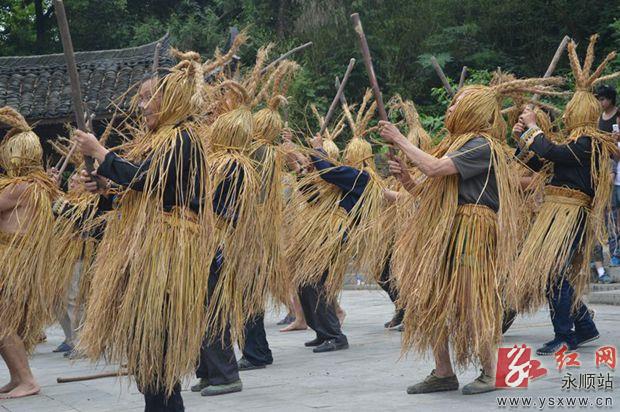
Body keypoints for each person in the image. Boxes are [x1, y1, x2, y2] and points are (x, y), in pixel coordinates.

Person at [380, 77, 558, 395]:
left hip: (472, 229)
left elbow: (435, 169)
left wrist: (399, 139)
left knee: (472, 302)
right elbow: (427, 193)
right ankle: (443, 373)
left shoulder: (481, 145)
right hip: (448, 228)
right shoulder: (457, 145)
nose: (450, 108)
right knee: (428, 299)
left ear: (473, 110)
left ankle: (491, 372)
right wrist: (406, 179)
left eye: (456, 104)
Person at [76, 53, 213, 411]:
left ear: (172, 99)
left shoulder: (183, 138)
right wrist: (105, 188)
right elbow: (137, 191)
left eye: (149, 96)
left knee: (158, 349)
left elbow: (145, 178)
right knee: (146, 353)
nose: (142, 105)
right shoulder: (156, 140)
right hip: (147, 253)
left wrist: (101, 153)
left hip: (168, 256)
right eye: (140, 97)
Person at [509, 36, 618, 355]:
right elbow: (540, 163)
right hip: (555, 213)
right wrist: (521, 139)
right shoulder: (574, 142)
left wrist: (533, 127)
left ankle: (566, 334)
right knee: (551, 271)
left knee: (553, 271)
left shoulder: (590, 142)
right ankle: (583, 325)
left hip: (571, 215)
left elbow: (551, 151)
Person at [0, 107, 59, 399]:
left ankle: (27, 379)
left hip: (13, 261)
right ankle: (17, 377)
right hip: (19, 260)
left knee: (3, 323)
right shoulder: (39, 185)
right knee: (6, 322)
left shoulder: (20, 187)